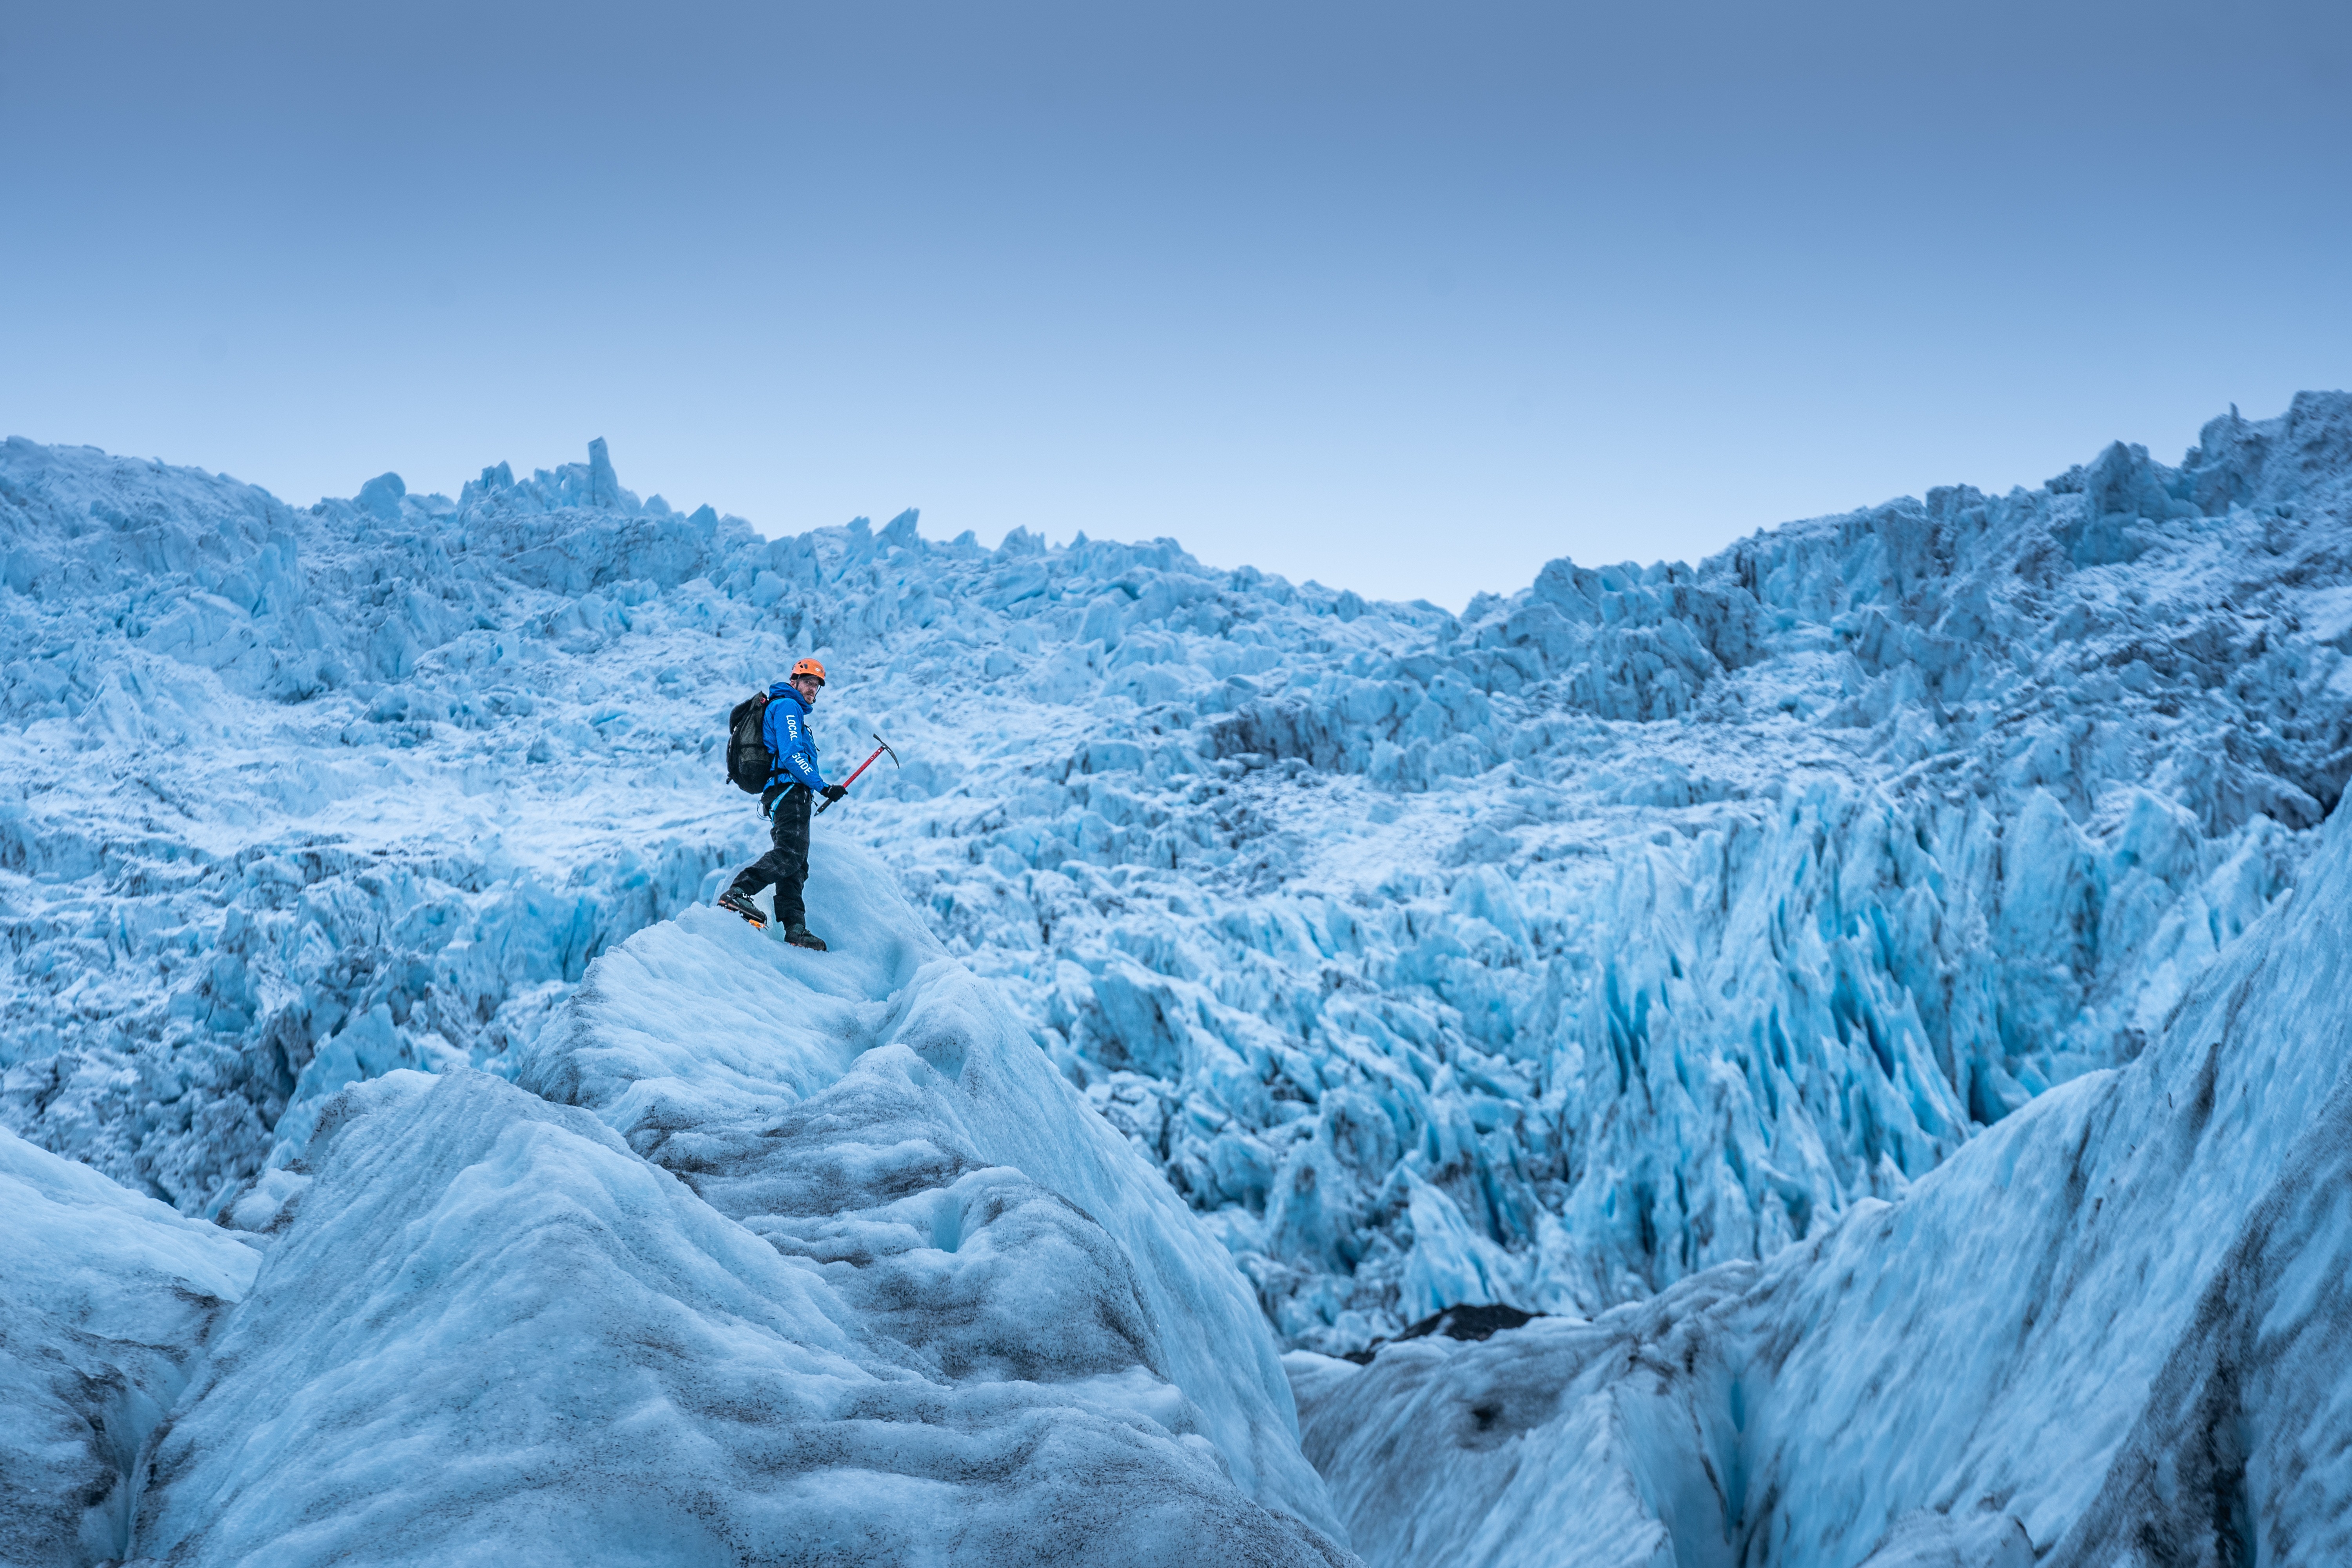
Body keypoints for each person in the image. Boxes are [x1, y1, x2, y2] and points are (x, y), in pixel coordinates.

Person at [717, 657, 846, 947]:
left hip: (790, 794)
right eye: (808, 682)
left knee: (796, 863)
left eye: (817, 685)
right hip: (789, 792)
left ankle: (795, 928)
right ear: (794, 682)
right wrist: (823, 786)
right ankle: (738, 891)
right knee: (790, 855)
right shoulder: (788, 706)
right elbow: (791, 755)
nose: (812, 689)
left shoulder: (790, 709)